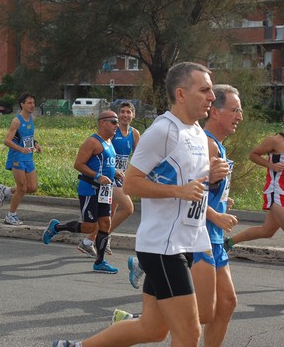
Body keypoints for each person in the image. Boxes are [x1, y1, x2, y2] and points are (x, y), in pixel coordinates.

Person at [53, 62, 229, 347]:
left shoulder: (196, 132)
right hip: (163, 247)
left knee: (152, 329)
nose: (212, 96)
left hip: (189, 242)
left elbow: (190, 187)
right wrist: (179, 191)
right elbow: (132, 183)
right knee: (189, 333)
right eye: (205, 90)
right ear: (181, 94)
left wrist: (210, 177)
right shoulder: (163, 131)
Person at [224, 108, 284, 270]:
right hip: (276, 190)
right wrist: (270, 164)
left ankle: (228, 243)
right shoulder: (276, 140)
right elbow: (253, 155)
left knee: (267, 231)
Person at [42, 110, 123, 274]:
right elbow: (78, 164)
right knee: (89, 227)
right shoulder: (92, 142)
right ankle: (56, 227)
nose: (117, 125)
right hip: (90, 189)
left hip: (104, 191)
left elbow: (106, 163)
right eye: (113, 122)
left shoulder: (109, 141)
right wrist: (98, 176)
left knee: (105, 223)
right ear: (102, 123)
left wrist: (114, 172)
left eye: (117, 122)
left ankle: (99, 262)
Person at [77, 102, 139, 260]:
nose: (125, 115)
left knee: (109, 214)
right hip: (108, 177)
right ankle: (102, 237)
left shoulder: (134, 133)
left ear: (133, 115)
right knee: (128, 208)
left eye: (128, 112)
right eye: (122, 112)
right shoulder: (112, 131)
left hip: (119, 176)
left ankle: (89, 241)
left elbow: (139, 157)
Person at [0, 92, 41, 225]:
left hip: (28, 157)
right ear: (22, 105)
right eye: (29, 103)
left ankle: (6, 191)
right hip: (17, 157)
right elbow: (7, 141)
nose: (32, 105)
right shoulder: (16, 121)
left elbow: (28, 136)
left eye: (33, 103)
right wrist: (21, 149)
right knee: (22, 188)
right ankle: (10, 215)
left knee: (32, 187)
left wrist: (35, 143)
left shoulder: (32, 118)